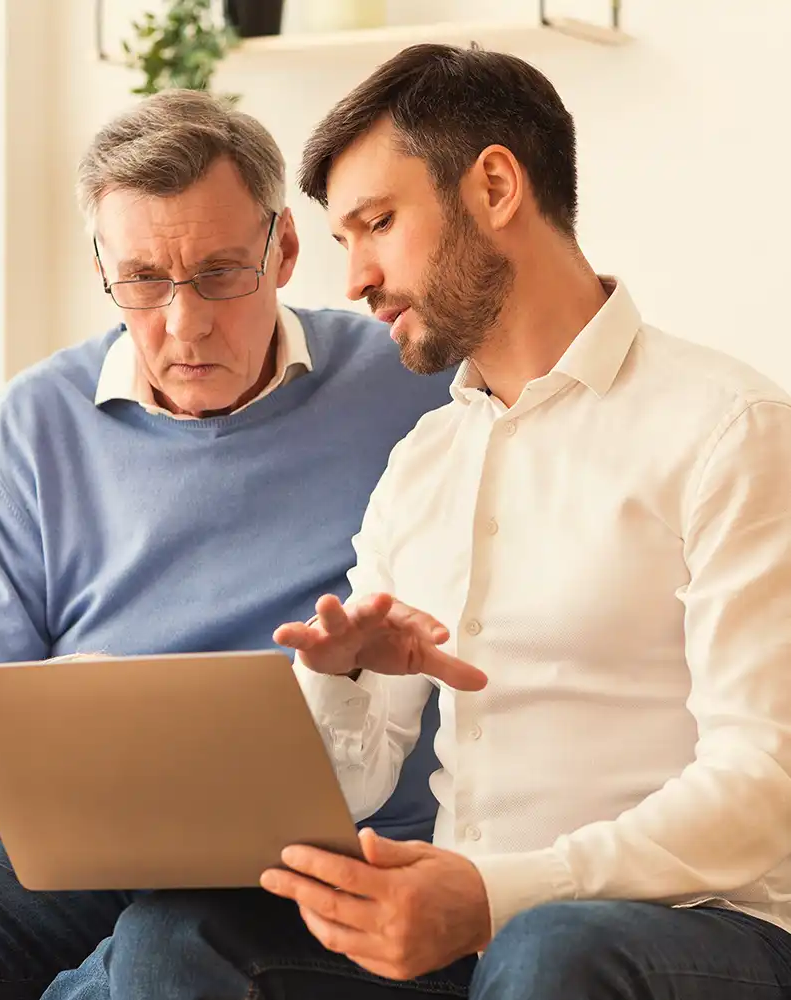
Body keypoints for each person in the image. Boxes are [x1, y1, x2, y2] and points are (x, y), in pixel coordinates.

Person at [102, 43, 791, 1000]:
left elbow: (764, 791)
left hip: (698, 926)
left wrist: (499, 894)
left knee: (547, 950)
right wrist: (337, 673)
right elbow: (360, 783)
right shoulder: (422, 465)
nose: (355, 281)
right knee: (183, 936)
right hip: (473, 932)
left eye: (378, 223)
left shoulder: (728, 428)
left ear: (497, 185)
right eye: (343, 240)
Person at [0, 90, 456, 1000]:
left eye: (222, 273)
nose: (185, 325)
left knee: (167, 946)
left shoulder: (412, 381)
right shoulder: (27, 427)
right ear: (103, 267)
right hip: (81, 871)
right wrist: (57, 717)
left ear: (285, 251)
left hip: (332, 873)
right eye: (143, 280)